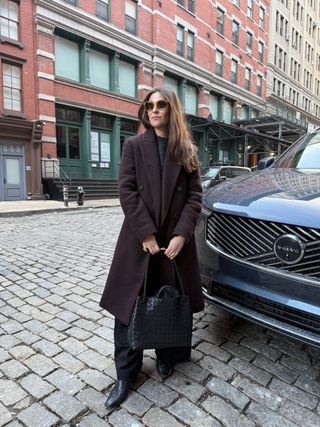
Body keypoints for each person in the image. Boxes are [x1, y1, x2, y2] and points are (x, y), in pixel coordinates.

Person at [99, 87, 204, 408]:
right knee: (129, 306)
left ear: (172, 110)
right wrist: (145, 233)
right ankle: (126, 373)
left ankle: (166, 355)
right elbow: (127, 191)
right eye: (150, 105)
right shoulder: (133, 145)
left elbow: (194, 197)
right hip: (139, 243)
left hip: (173, 246)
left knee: (169, 301)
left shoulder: (185, 150)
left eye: (161, 105)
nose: (154, 110)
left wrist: (182, 236)